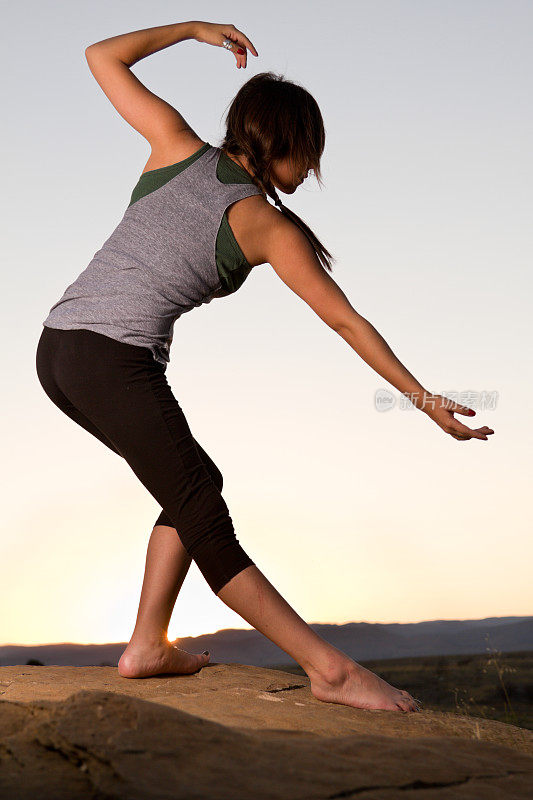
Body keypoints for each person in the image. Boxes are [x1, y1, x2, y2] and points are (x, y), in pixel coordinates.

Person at [35, 20, 494, 714]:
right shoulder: (265, 224)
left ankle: (146, 646)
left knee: (192, 484)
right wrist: (424, 400)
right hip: (111, 359)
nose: (310, 171)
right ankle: (329, 669)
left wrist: (191, 30)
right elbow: (345, 321)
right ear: (282, 142)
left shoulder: (175, 145)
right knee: (204, 510)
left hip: (58, 350)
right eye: (308, 155)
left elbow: (101, 55)